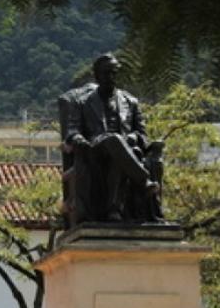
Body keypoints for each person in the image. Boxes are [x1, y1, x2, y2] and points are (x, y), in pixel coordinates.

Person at [59, 53, 163, 225]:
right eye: (106, 73)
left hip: (124, 151)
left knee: (118, 150)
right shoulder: (82, 102)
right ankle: (144, 181)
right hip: (94, 151)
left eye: (114, 73)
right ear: (97, 75)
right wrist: (79, 140)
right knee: (114, 139)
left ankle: (114, 210)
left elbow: (142, 134)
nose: (111, 77)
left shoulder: (130, 102)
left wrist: (132, 137)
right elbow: (72, 130)